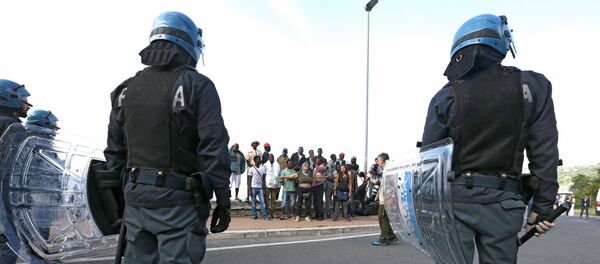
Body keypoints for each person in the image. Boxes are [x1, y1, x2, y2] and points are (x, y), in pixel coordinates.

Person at [420, 14, 559, 263]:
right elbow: (545, 152)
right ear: (501, 42)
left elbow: (429, 162)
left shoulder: (446, 96)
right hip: (504, 203)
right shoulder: (532, 86)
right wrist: (543, 206)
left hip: (453, 203)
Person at [103, 11, 231, 263]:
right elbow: (213, 148)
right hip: (179, 204)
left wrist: (124, 197)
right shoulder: (198, 85)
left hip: (136, 202)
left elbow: (114, 153)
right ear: (189, 45)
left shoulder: (125, 89)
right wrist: (223, 201)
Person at [371, 153, 398, 246]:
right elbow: (379, 182)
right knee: (382, 217)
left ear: (382, 160)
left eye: (378, 160)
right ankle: (391, 236)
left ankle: (383, 239)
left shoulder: (388, 171)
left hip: (387, 199)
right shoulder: (386, 171)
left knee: (383, 218)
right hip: (385, 198)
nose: (377, 162)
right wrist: (367, 178)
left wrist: (390, 198)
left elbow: (391, 185)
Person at [248, 155, 268, 220]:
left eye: (260, 159)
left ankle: (264, 216)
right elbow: (249, 180)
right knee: (253, 202)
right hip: (253, 187)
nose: (260, 160)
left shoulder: (263, 168)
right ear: (255, 160)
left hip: (260, 188)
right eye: (258, 159)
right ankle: (254, 215)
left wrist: (264, 189)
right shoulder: (251, 169)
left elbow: (264, 180)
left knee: (262, 202)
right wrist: (249, 190)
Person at [264, 154, 280, 219]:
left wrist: (278, 186)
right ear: (268, 158)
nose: (271, 158)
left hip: (275, 185)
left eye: (272, 157)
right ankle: (267, 212)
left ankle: (271, 213)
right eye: (270, 157)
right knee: (267, 199)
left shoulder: (277, 165)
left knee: (273, 200)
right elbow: (263, 175)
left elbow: (278, 175)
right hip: (267, 184)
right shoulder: (265, 165)